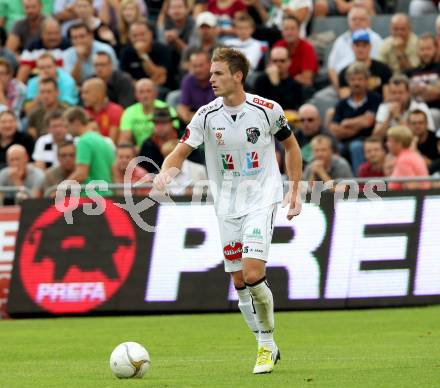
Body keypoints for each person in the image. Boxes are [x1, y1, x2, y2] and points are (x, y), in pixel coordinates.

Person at [154, 47, 302, 374]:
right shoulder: (205, 116)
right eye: (210, 73)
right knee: (238, 283)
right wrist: (165, 173)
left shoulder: (267, 110)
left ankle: (265, 344)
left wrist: (294, 190)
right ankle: (266, 343)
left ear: (238, 75)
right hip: (226, 204)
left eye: (218, 73)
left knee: (252, 274)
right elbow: (179, 152)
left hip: (261, 197)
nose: (211, 79)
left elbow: (290, 146)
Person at [329, 62, 382, 174]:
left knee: (356, 146)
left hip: (367, 140)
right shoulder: (342, 103)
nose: (356, 83)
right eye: (353, 79)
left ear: (367, 80)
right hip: (343, 143)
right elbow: (335, 130)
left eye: (360, 79)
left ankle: (359, 183)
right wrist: (358, 124)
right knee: (329, 148)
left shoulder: (375, 99)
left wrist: (346, 122)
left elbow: (368, 122)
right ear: (348, 81)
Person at [62, 107, 115, 195]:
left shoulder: (84, 141)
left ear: (76, 122)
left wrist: (62, 187)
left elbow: (81, 173)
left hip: (91, 198)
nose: (66, 131)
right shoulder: (102, 140)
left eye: (67, 126)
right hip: (107, 194)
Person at [119, 79, 179, 148]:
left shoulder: (167, 109)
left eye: (148, 91)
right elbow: (124, 140)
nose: (145, 95)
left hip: (165, 148)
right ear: (135, 95)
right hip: (139, 152)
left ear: (155, 93)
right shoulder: (129, 111)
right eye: (141, 92)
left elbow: (174, 134)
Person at [338, 29, 392, 99]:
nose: (360, 49)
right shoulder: (344, 72)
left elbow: (388, 98)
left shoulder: (383, 69)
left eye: (364, 45)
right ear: (352, 47)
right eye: (357, 45)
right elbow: (346, 99)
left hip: (379, 107)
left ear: (370, 46)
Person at [17, 17, 70, 83]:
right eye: (49, 33)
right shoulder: (32, 47)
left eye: (56, 33)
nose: (53, 37)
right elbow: (22, 75)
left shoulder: (68, 46)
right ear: (41, 34)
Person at [272, 15, 318, 87]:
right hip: (279, 85)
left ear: (299, 30)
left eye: (293, 29)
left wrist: (282, 76)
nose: (289, 32)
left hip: (298, 88)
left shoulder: (307, 48)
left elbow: (307, 80)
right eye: (286, 29)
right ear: (282, 31)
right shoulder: (278, 45)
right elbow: (271, 71)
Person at [253, 46, 303, 111]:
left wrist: (276, 84)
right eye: (275, 61)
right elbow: (256, 105)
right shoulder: (261, 80)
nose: (278, 64)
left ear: (289, 62)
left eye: (282, 61)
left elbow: (286, 107)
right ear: (269, 62)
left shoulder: (295, 85)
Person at [177, 48, 216, 124]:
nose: (198, 70)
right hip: (196, 124)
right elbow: (183, 107)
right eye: (194, 66)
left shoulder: (218, 79)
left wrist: (193, 116)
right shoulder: (188, 80)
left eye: (201, 65)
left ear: (210, 64)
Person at [386, 125, 430, 190]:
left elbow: (413, 187)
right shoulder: (413, 155)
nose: (387, 144)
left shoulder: (404, 160)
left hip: (413, 199)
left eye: (389, 141)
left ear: (399, 144)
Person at [81, 77, 124, 143]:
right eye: (82, 93)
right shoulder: (84, 112)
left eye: (86, 92)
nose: (83, 96)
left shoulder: (115, 111)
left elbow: (112, 142)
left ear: (99, 93)